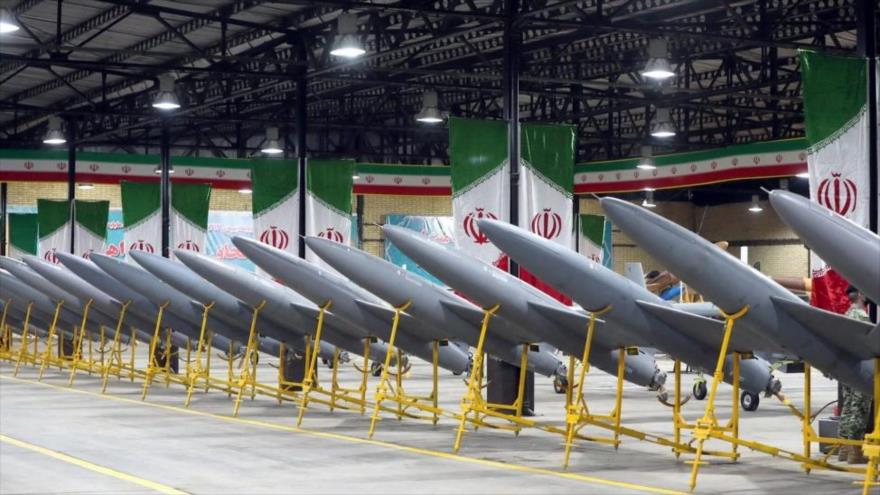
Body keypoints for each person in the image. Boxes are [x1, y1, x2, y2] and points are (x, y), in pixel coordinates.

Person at [838, 286, 871, 463]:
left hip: (848, 368)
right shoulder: (862, 316)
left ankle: (844, 448)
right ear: (859, 295)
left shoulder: (847, 314)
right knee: (859, 408)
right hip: (861, 368)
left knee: (848, 406)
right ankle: (854, 451)